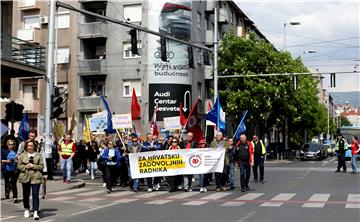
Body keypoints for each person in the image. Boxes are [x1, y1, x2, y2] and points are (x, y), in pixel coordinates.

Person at [17, 139, 44, 220]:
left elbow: (42, 166)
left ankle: (35, 211)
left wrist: (33, 166)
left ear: (34, 146)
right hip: (25, 177)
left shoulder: (38, 155)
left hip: (36, 177)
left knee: (35, 195)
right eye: (28, 146)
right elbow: (18, 166)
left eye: (31, 146)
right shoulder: (22, 155)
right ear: (26, 146)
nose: (30, 147)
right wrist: (25, 167)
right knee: (26, 195)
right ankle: (26, 209)